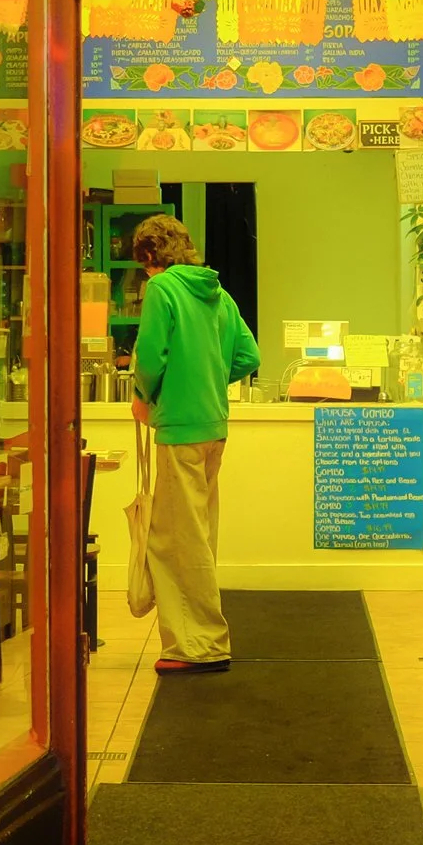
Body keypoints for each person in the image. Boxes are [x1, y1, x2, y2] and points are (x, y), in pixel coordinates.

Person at [130, 213, 263, 674]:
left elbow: (148, 358)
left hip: (179, 428)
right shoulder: (219, 294)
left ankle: (198, 646)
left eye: (143, 262)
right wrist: (207, 378)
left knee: (176, 540)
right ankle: (200, 640)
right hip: (213, 427)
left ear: (149, 256)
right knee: (200, 533)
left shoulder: (163, 290)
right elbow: (250, 355)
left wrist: (145, 395)